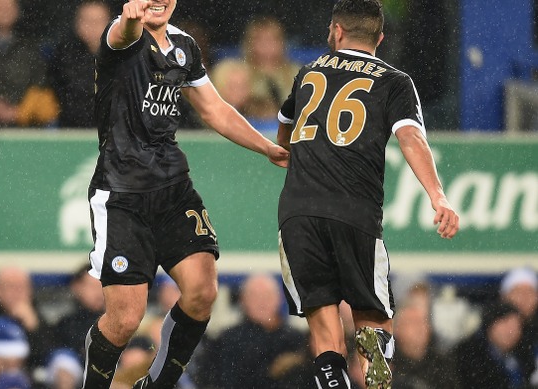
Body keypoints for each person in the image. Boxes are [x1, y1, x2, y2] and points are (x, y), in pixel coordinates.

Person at [82, 0, 289, 388]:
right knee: (125, 320)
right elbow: (124, 33)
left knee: (202, 292)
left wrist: (266, 147)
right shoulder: (120, 36)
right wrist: (130, 19)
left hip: (174, 190)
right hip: (122, 195)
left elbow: (214, 110)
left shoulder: (184, 46)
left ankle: (156, 385)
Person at [274, 1, 460, 388]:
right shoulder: (393, 80)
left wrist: (293, 156)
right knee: (374, 323)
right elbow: (410, 135)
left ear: (336, 31)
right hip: (353, 210)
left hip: (298, 213)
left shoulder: (308, 73)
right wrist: (437, 195)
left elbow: (285, 131)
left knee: (324, 330)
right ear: (380, 38)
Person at [212, 274, 305, 389]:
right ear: (243, 300)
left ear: (279, 299)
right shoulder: (228, 340)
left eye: (267, 296)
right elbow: (226, 380)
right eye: (255, 296)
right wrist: (273, 371)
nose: (262, 302)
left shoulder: (298, 340)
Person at [48, 0, 111, 128]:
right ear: (77, 23)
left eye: (98, 20)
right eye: (88, 20)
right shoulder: (64, 55)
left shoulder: (124, 55)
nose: (93, 26)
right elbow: (64, 97)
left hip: (114, 132)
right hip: (72, 131)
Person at [0, 266, 52, 371]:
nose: (17, 292)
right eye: (11, 286)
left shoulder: (38, 316)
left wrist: (33, 327)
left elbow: (46, 355)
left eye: (22, 287)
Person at [453, 301, 528, 388]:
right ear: (490, 324)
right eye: (506, 323)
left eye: (517, 326)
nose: (511, 331)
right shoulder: (469, 354)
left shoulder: (521, 355)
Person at [53, 265, 105, 360]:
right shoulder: (66, 324)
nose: (99, 292)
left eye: (103, 286)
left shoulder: (117, 321)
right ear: (76, 287)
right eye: (93, 287)